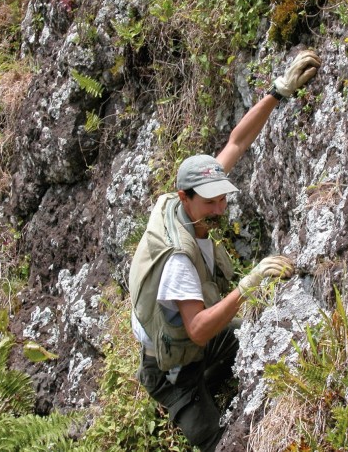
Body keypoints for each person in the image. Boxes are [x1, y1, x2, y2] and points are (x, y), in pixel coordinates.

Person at [128, 50, 321, 451]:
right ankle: (191, 397)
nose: (220, 209)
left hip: (194, 341)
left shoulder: (187, 199)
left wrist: (278, 92)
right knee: (216, 442)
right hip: (171, 369)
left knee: (255, 335)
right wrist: (250, 283)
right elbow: (197, 328)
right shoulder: (179, 261)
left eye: (222, 199)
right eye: (212, 203)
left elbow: (237, 141)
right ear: (186, 196)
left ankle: (215, 375)